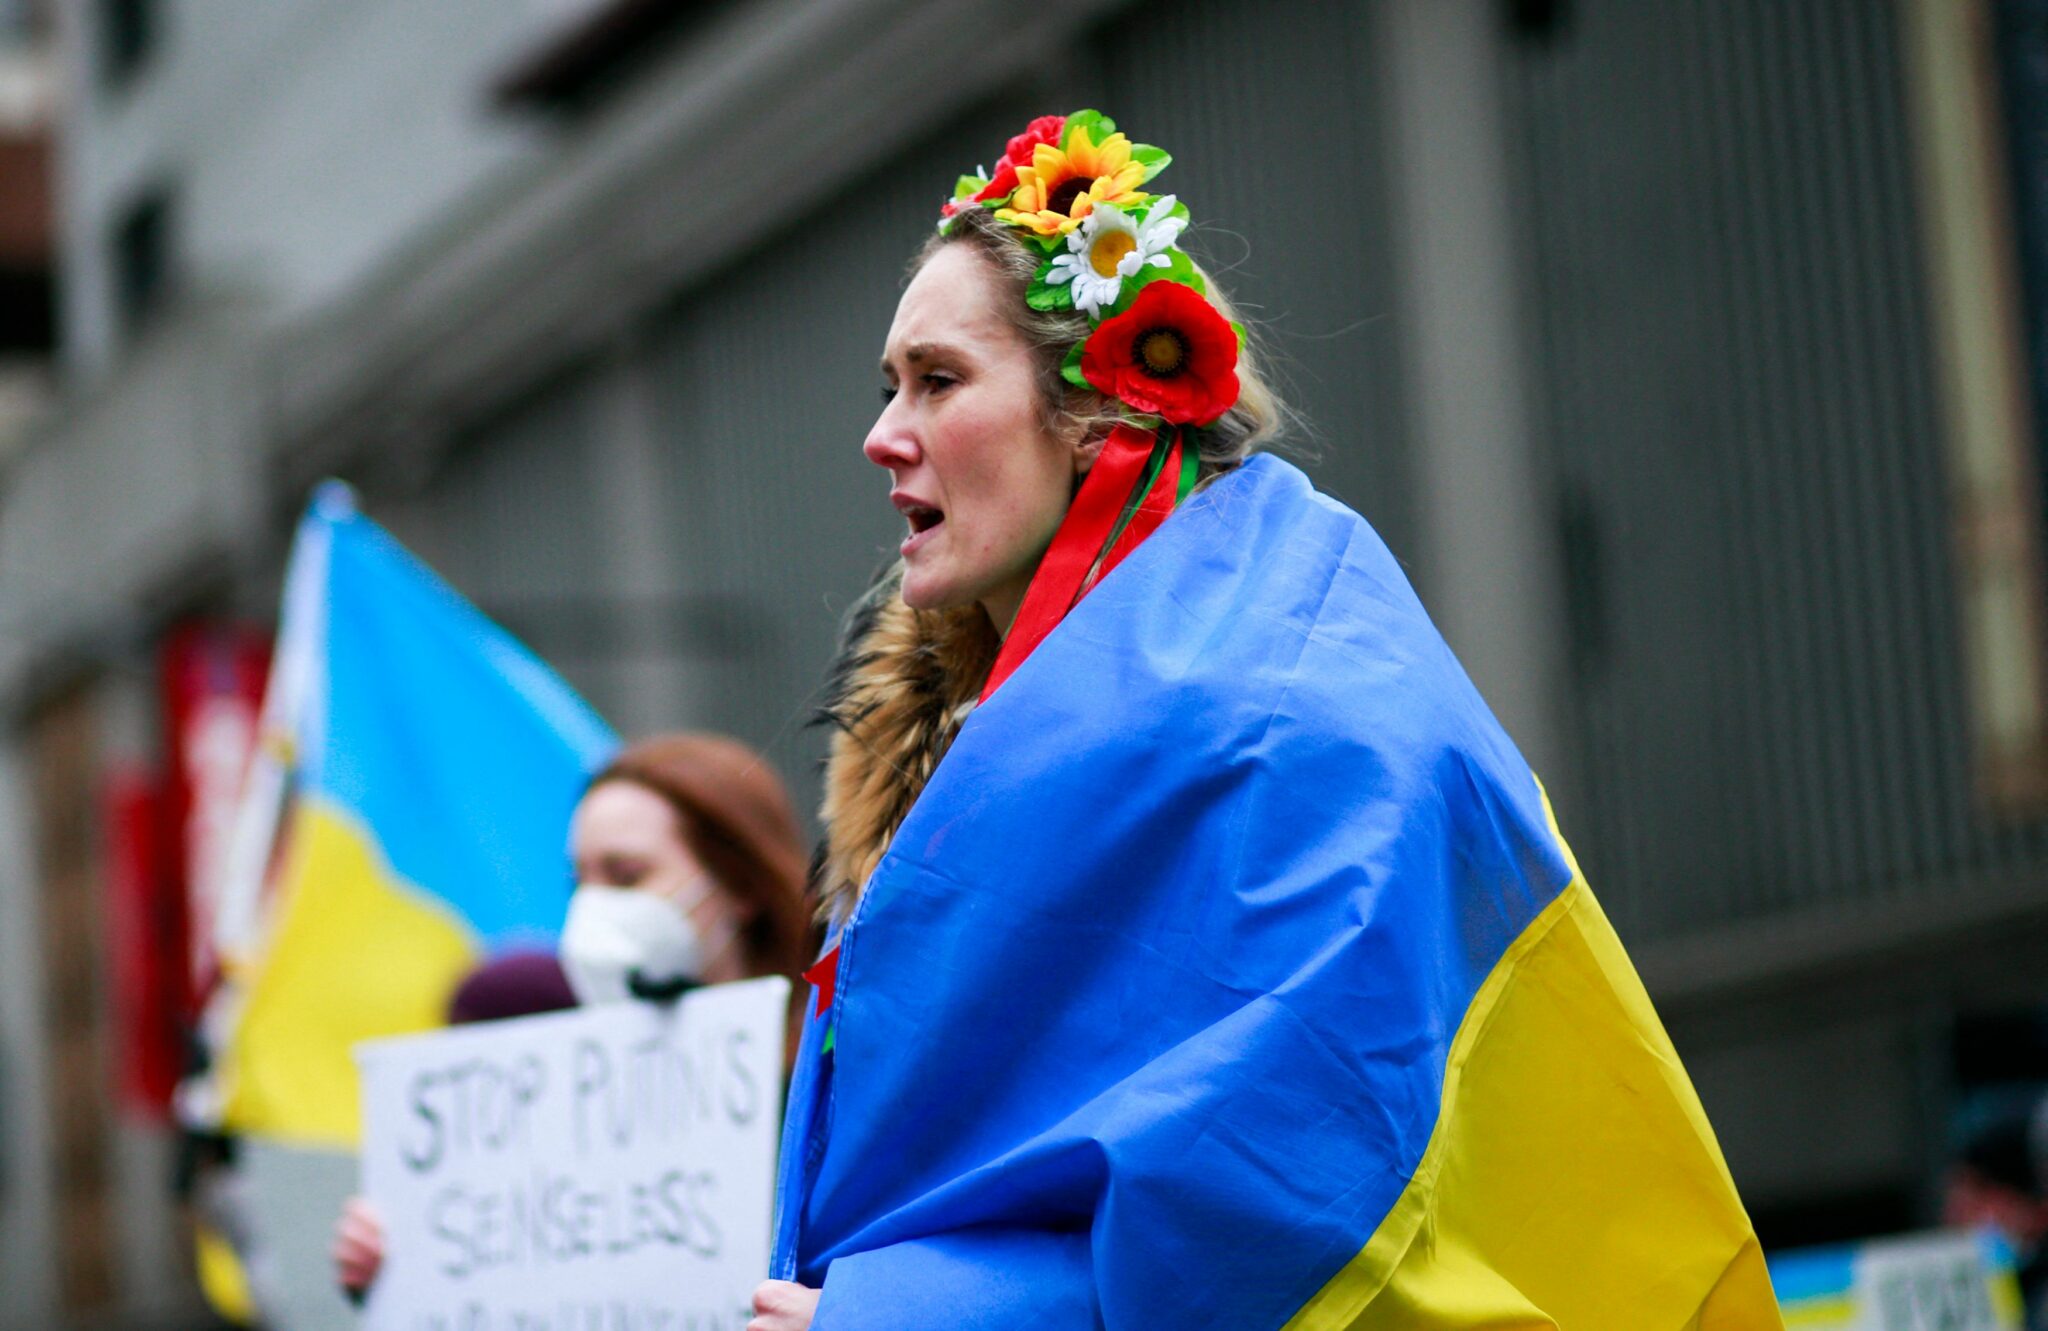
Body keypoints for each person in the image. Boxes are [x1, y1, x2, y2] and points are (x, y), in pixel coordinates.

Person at [747, 111, 1783, 1330]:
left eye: (937, 380)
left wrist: (900, 1315)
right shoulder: (957, 736)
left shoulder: (1302, 716)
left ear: (1093, 414)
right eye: (888, 386)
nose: (882, 434)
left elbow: (1301, 1198)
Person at [334, 731, 814, 1301]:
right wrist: (404, 1256)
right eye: (578, 880)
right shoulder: (530, 1080)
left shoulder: (831, 1084)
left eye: (627, 874)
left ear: (739, 884)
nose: (593, 906)